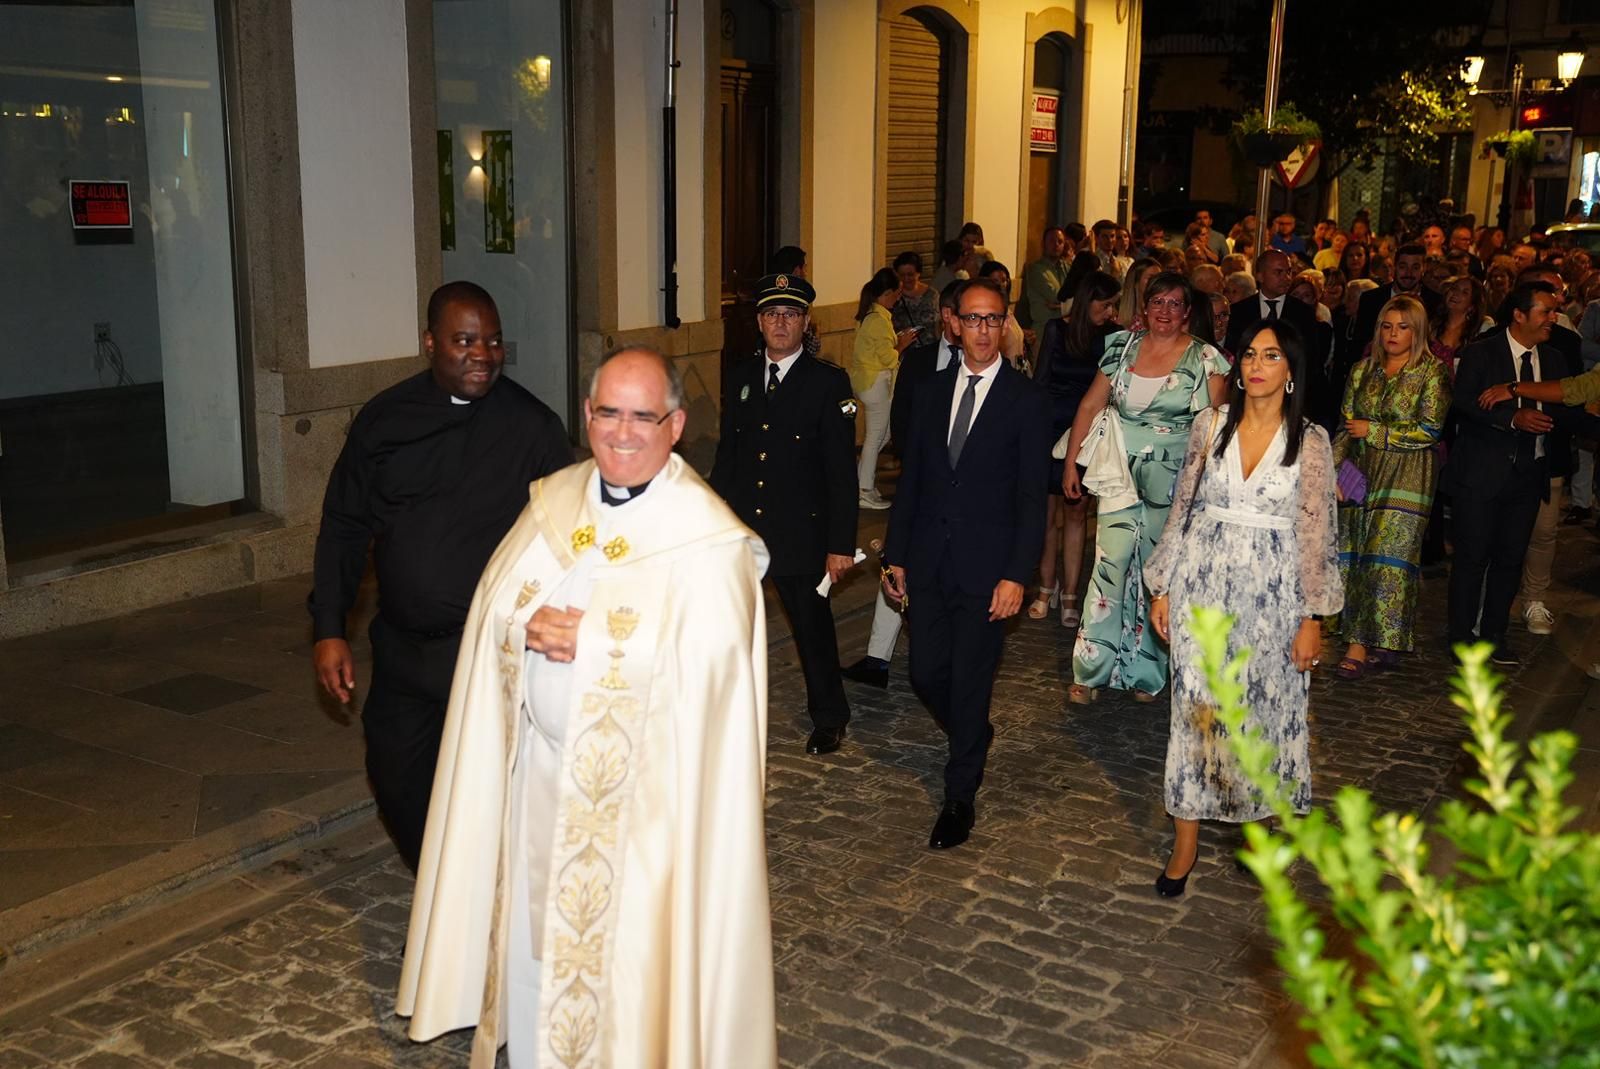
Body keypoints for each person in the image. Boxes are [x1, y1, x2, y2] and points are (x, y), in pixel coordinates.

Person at [397, 348, 776, 1069]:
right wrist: (522, 626)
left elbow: (718, 668)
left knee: (631, 968)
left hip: (649, 814)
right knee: (540, 941)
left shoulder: (708, 540)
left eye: (643, 415)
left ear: (676, 425)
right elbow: (495, 609)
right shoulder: (556, 502)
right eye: (609, 412)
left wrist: (597, 639)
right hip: (540, 781)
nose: (623, 432)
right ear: (587, 415)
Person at [309, 281, 571, 873]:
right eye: (466, 340)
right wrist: (329, 626)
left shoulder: (532, 427)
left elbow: (572, 533)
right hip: (403, 650)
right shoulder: (383, 422)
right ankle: (447, 903)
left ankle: (471, 928)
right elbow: (345, 525)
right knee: (396, 778)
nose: (484, 353)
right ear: (430, 343)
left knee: (487, 795)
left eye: (494, 341)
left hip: (488, 654)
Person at [1145, 319, 1341, 897]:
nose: (1256, 365)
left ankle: (1255, 832)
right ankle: (1186, 841)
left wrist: (1312, 618)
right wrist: (1163, 586)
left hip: (1274, 600)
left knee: (1263, 715)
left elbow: (1318, 534)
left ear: (1289, 372)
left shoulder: (1310, 441)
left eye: (1271, 355)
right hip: (1202, 590)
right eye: (1250, 354)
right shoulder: (1210, 425)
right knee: (1197, 714)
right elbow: (1181, 510)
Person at [882, 277, 1051, 849]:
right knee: (925, 673)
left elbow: (1033, 500)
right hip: (929, 560)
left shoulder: (1025, 401)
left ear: (1005, 326)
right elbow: (913, 484)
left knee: (972, 681)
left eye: (993, 319)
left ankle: (959, 797)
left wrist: (1017, 576)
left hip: (988, 571)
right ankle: (972, 735)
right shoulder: (929, 392)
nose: (983, 330)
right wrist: (896, 554)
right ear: (953, 323)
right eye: (972, 319)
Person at [1061, 272, 1229, 703]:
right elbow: (1089, 404)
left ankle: (1147, 673)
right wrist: (1070, 466)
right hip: (1117, 470)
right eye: (1158, 302)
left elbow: (1217, 425)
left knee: (1158, 573)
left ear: (1188, 312)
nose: (1165, 312)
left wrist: (1209, 487)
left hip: (1175, 479)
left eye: (1175, 304)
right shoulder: (1121, 348)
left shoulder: (1206, 358)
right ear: (1146, 306)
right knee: (1109, 564)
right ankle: (1090, 670)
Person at [711, 273, 858, 754]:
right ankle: (726, 712)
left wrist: (840, 545)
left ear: (805, 322)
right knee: (729, 627)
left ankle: (830, 717)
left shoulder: (827, 383)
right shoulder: (740, 376)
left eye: (790, 314)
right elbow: (730, 456)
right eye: (772, 314)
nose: (780, 323)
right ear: (758, 321)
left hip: (801, 534)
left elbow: (841, 474)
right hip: (746, 531)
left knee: (811, 630)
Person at [844, 279, 968, 689]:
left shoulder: (985, 366)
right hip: (922, 488)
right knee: (895, 564)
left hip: (967, 495)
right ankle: (877, 660)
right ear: (948, 317)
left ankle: (948, 659)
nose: (970, 326)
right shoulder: (920, 361)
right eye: (962, 316)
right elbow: (901, 419)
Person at [1329, 296, 1450, 678]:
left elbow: (1430, 430)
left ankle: (1359, 646)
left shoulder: (1433, 371)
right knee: (1355, 551)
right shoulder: (1362, 369)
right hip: (1359, 468)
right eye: (1387, 326)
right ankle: (1377, 638)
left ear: (1417, 331)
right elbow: (1346, 426)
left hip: (1409, 473)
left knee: (1387, 555)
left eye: (1403, 327)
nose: (1393, 334)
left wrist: (1376, 430)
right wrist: (1331, 472)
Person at [1030, 270, 1120, 627]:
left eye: (1114, 304)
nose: (1110, 311)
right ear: (1088, 300)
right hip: (1049, 429)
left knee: (1076, 513)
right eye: (1106, 303)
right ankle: (1044, 588)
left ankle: (1070, 594)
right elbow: (1040, 381)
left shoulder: (1113, 336)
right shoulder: (1057, 329)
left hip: (1086, 436)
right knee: (1047, 515)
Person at [1227, 251, 1330, 430]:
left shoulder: (1303, 313)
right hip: (1247, 401)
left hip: (1293, 402)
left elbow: (1311, 360)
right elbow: (1233, 356)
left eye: (1289, 272)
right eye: (1278, 272)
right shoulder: (1239, 311)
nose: (1286, 277)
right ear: (1260, 275)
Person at [852, 267, 917, 509]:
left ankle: (861, 480)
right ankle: (863, 489)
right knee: (875, 437)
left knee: (884, 434)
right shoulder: (877, 319)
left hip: (872, 382)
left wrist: (896, 341)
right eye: (896, 293)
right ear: (887, 292)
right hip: (875, 383)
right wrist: (901, 344)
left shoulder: (873, 315)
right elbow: (889, 358)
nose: (899, 298)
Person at [1353, 244, 1442, 355]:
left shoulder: (1436, 302)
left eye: (1415, 267)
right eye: (1403, 266)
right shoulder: (1371, 299)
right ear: (1394, 267)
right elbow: (1359, 344)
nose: (1408, 273)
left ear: (1423, 268)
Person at [1021, 226, 1072, 334]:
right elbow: (1056, 296)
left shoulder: (1066, 267)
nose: (1056, 245)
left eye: (1060, 241)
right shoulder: (1036, 269)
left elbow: (1079, 293)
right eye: (1052, 241)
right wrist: (1068, 305)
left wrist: (1060, 306)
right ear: (1043, 244)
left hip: (1064, 330)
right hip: (1044, 330)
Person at [977, 260, 1029, 365]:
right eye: (995, 281)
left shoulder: (1006, 310)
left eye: (1004, 280)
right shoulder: (985, 314)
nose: (1001, 285)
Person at [892, 250, 941, 343]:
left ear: (918, 273)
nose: (906, 279)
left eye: (910, 275)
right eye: (902, 275)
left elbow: (937, 325)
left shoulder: (932, 295)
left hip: (928, 350)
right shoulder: (892, 297)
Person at [1118, 258, 1162, 332]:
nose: (1157, 283)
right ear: (1136, 282)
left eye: (1159, 279)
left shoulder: (1164, 317)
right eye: (1151, 278)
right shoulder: (1122, 324)